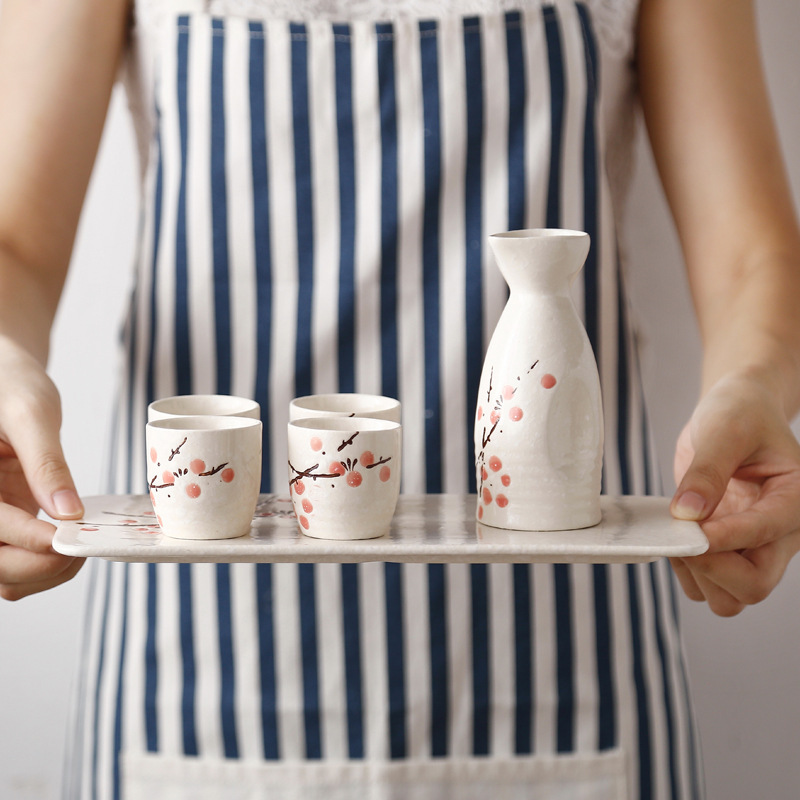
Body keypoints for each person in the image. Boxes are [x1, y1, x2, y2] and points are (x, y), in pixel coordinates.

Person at [1, 0, 799, 798]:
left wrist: (753, 383)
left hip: (564, 647)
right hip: (197, 658)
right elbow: (16, 241)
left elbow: (749, 256)